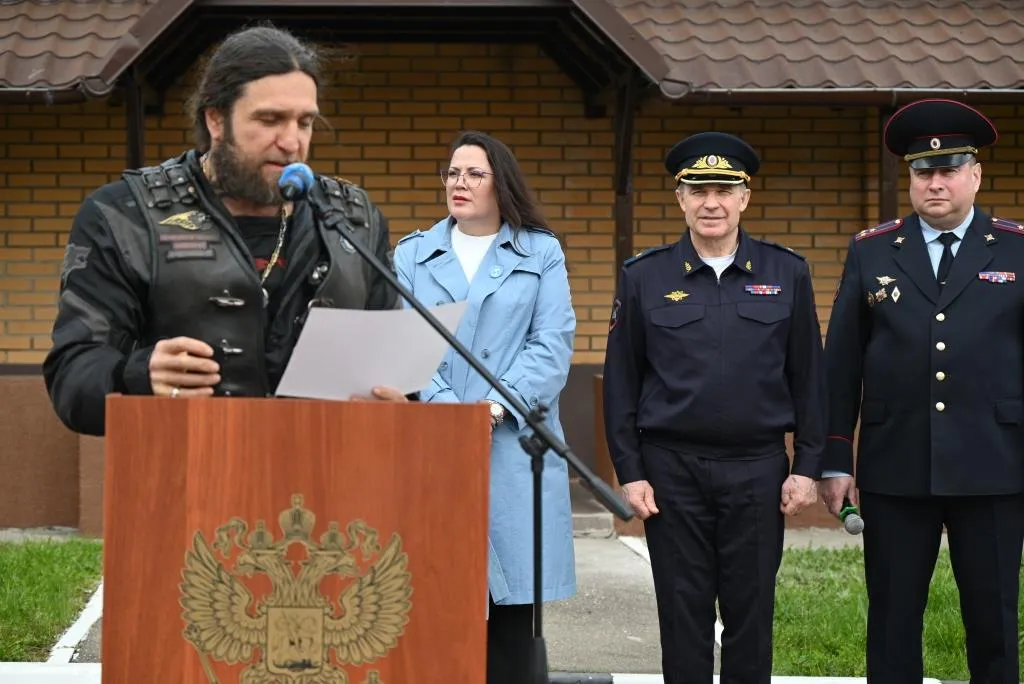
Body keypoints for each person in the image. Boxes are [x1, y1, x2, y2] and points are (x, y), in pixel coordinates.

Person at [43, 24, 407, 437]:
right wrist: (139, 374)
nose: (292, 142)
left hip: (326, 485)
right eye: (270, 119)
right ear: (216, 119)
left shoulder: (355, 221)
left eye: (305, 122)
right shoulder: (123, 216)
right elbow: (72, 378)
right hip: (186, 481)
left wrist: (401, 402)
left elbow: (391, 370)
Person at [602, 132, 824, 684]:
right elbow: (622, 386)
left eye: (724, 189)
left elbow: (810, 380)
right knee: (683, 616)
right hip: (671, 471)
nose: (711, 203)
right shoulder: (643, 276)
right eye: (697, 190)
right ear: (680, 199)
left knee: (751, 615)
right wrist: (630, 473)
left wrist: (808, 467)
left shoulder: (785, 273)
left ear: (745, 198)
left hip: (756, 470)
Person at [821, 98, 1024, 683]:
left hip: (994, 465)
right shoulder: (872, 249)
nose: (935, 182)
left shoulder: (1015, 249)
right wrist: (837, 458)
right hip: (896, 466)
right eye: (921, 171)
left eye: (949, 168)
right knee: (891, 618)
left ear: (976, 174)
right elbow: (842, 366)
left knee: (994, 619)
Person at [392, 130, 576, 684]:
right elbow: (405, 338)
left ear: (502, 183)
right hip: (432, 442)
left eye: (474, 173)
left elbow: (552, 343)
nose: (460, 183)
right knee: (434, 603)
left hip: (513, 446)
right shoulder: (412, 253)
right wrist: (449, 410)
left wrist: (493, 407)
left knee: (513, 613)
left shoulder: (540, 250)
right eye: (452, 173)